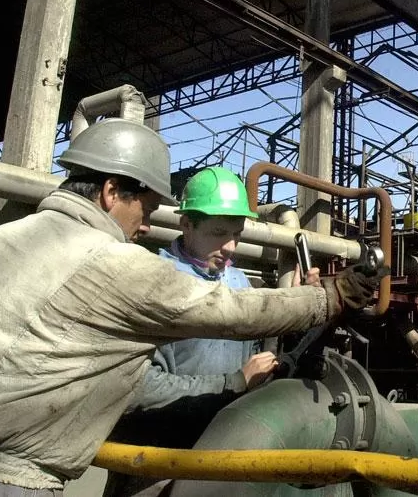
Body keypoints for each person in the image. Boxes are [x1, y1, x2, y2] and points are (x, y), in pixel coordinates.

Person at [0, 118, 380, 496]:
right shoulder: (115, 264)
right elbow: (233, 315)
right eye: (148, 207)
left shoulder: (0, 239)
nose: (150, 223)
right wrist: (331, 296)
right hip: (9, 478)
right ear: (111, 191)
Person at [103, 166, 318, 496]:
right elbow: (138, 388)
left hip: (215, 452)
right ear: (186, 224)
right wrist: (233, 383)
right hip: (150, 462)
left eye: (237, 234)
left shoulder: (239, 283)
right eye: (219, 233)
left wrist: (299, 311)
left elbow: (258, 366)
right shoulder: (153, 281)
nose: (231, 246)